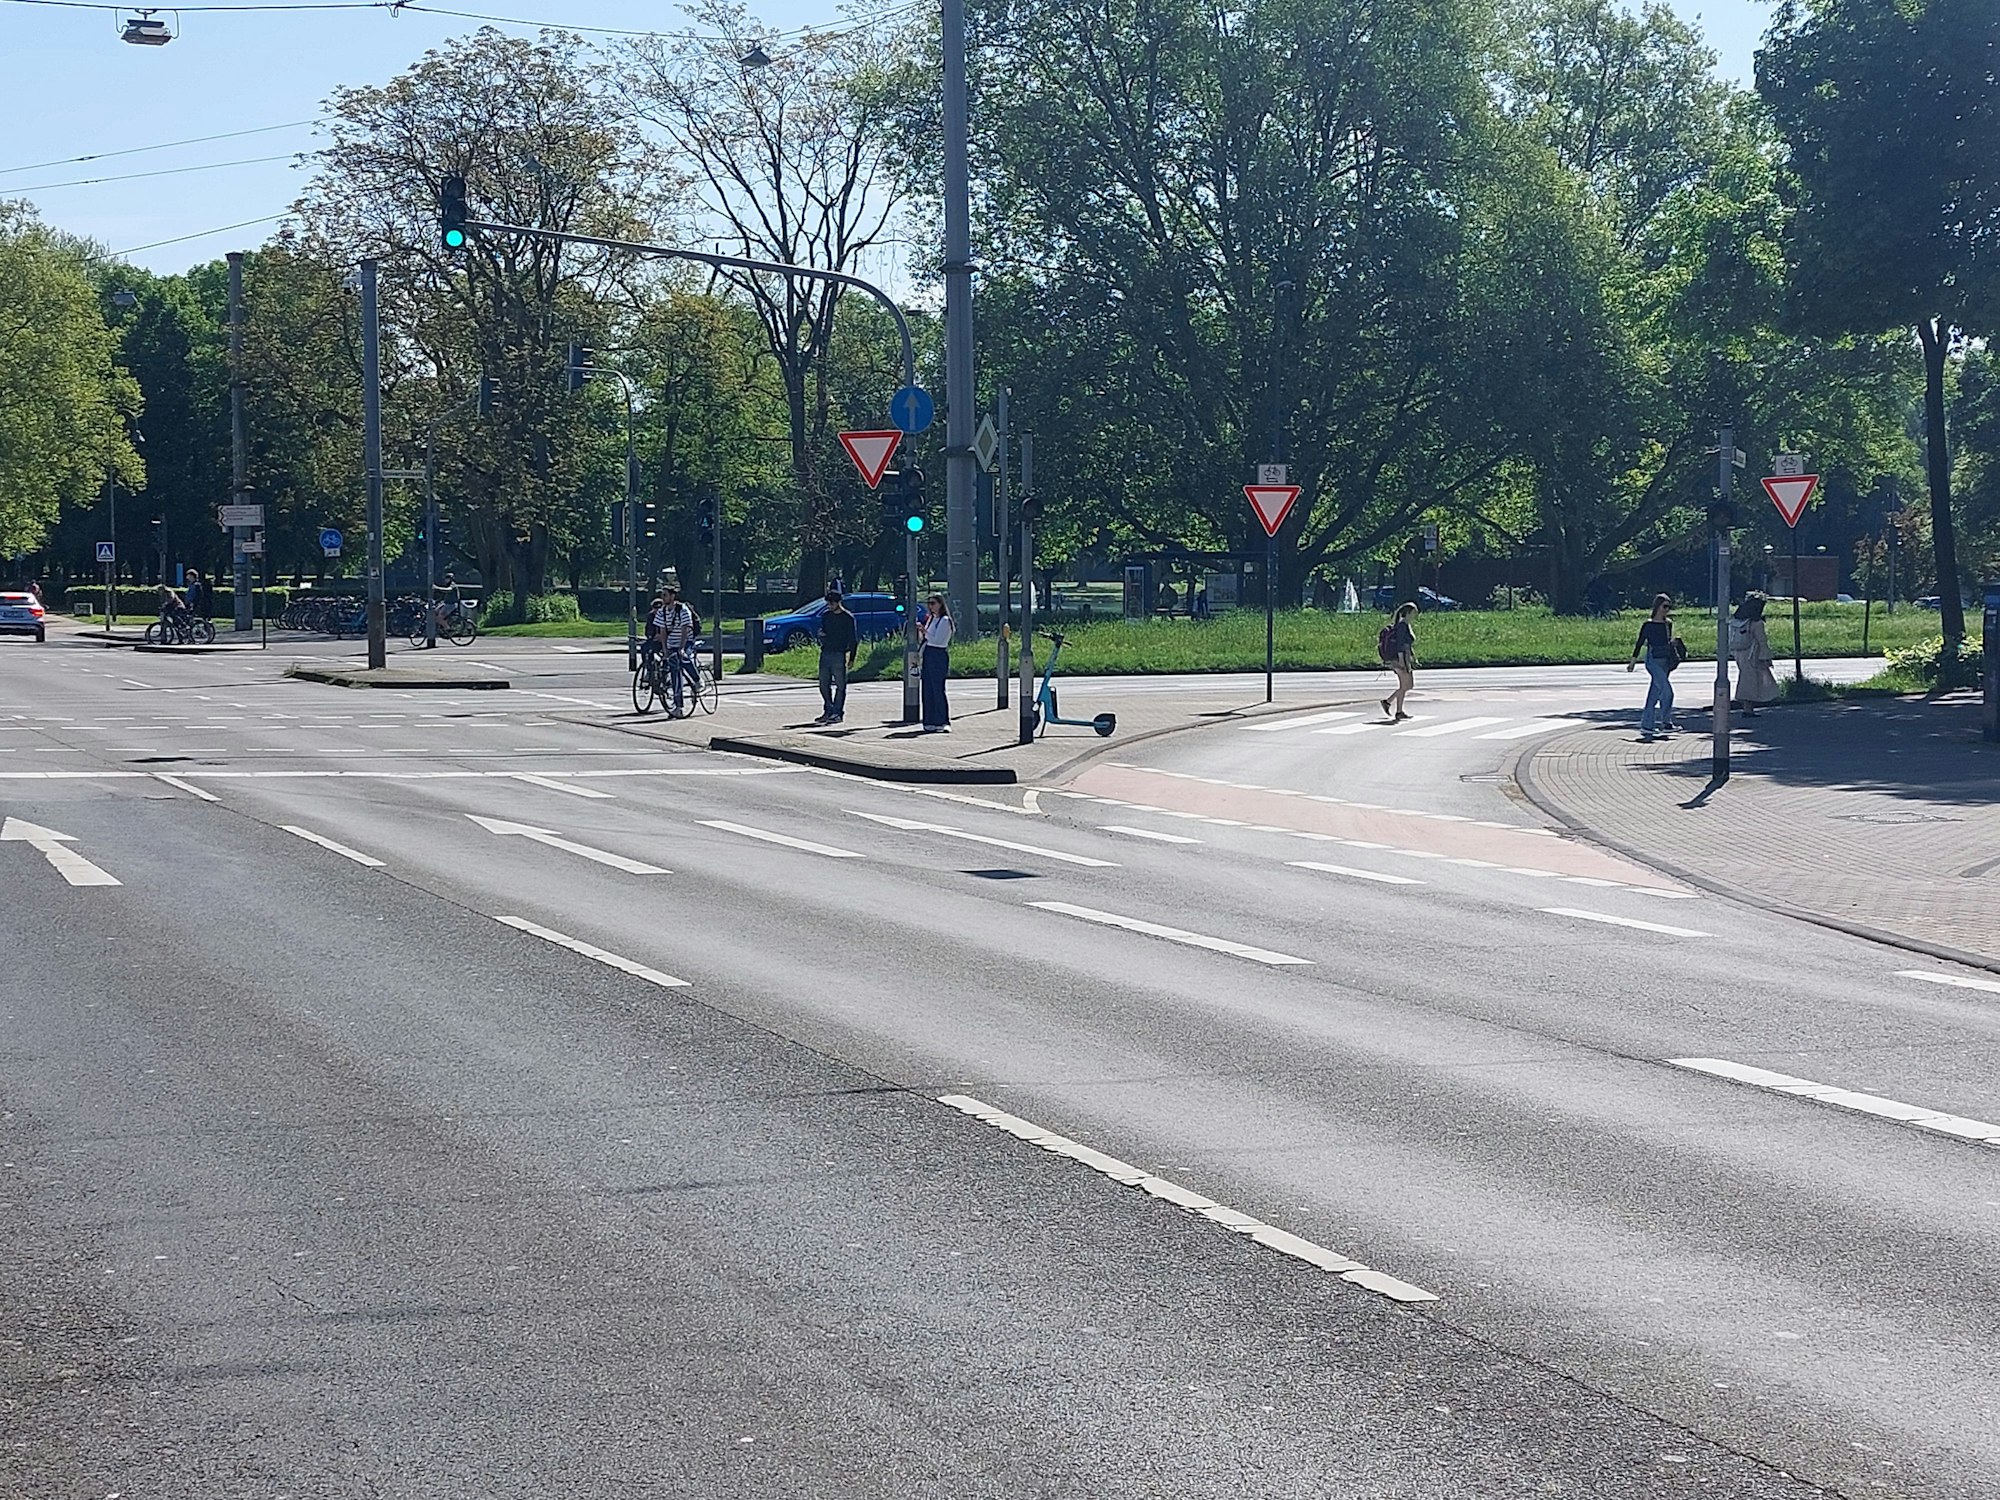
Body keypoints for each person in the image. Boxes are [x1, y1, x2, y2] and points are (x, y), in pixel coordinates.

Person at [1628, 593, 1679, 738]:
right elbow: (1640, 642)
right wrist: (1633, 661)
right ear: (1657, 606)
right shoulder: (1648, 625)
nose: (1667, 610)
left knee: (1654, 694)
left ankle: (1647, 725)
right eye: (1664, 606)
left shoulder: (1668, 624)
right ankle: (1666, 723)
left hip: (1665, 660)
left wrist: (1673, 644)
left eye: (1669, 607)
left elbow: (1666, 641)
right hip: (1652, 660)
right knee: (1667, 691)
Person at [651, 584, 698, 714]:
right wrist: (666, 651)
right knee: (675, 674)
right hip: (672, 644)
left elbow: (685, 629)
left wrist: (682, 648)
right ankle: (679, 706)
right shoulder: (662, 612)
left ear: (673, 596)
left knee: (684, 658)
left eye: (665, 595)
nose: (663, 597)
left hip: (686, 641)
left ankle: (697, 680)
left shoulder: (682, 609)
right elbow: (663, 632)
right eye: (662, 595)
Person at [1730, 593, 1779, 716]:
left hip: (1740, 653)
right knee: (1752, 681)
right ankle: (1748, 708)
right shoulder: (1757, 623)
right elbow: (1762, 641)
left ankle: (1747, 707)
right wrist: (1766, 658)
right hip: (1753, 655)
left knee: (1746, 678)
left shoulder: (1738, 621)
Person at [816, 587, 858, 725]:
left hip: (839, 654)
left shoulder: (848, 618)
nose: (829, 606)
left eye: (832, 604)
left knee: (840, 686)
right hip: (826, 652)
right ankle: (828, 709)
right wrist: (821, 636)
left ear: (838, 602)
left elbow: (853, 639)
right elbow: (823, 631)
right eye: (828, 604)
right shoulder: (826, 616)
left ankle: (837, 712)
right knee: (823, 684)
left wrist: (851, 657)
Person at [1377, 602, 1417, 720]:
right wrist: (1401, 661)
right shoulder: (1402, 626)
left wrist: (1412, 657)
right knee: (1405, 685)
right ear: (1408, 613)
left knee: (1407, 685)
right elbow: (1400, 645)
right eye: (1414, 613)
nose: (1415, 616)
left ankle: (1389, 702)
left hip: (1404, 658)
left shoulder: (1404, 625)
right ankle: (1397, 710)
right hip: (1399, 658)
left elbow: (1407, 644)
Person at [920, 593, 953, 732]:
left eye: (933, 603)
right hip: (928, 653)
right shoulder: (932, 619)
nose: (931, 607)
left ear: (940, 604)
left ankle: (942, 720)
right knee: (927, 688)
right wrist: (922, 632)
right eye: (929, 604)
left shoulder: (945, 621)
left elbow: (938, 641)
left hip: (938, 654)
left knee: (937, 688)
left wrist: (925, 632)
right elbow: (926, 639)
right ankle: (929, 720)